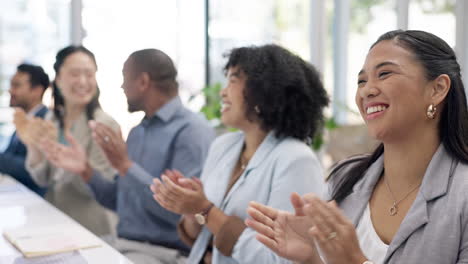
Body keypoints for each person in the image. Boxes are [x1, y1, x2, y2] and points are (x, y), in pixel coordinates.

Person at [246, 30, 468, 264]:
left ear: (438, 89)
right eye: (362, 81)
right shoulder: (345, 178)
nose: (367, 90)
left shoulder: (462, 193)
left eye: (384, 74)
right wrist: (310, 258)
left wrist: (355, 261)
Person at [150, 44, 329, 263]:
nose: (223, 91)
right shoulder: (223, 146)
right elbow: (201, 235)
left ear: (264, 91)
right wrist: (189, 207)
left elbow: (280, 258)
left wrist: (205, 209)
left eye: (233, 80)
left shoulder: (296, 160)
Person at [39, 48, 216, 264]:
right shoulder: (138, 132)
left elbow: (183, 213)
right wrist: (85, 170)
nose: (122, 87)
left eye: (125, 79)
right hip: (123, 244)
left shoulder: (192, 131)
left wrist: (125, 165)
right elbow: (118, 200)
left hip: (164, 253)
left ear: (142, 82)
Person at [19, 46, 120, 236]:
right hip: (55, 222)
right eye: (75, 74)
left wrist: (81, 170)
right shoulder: (51, 120)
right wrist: (33, 148)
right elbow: (43, 179)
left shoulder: (104, 125)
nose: (83, 81)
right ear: (57, 79)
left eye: (89, 74)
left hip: (93, 230)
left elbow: (104, 193)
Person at [0, 64, 49, 196]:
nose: (10, 90)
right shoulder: (23, 120)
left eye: (16, 85)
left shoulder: (45, 122)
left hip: (38, 204)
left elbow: (34, 170)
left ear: (37, 91)